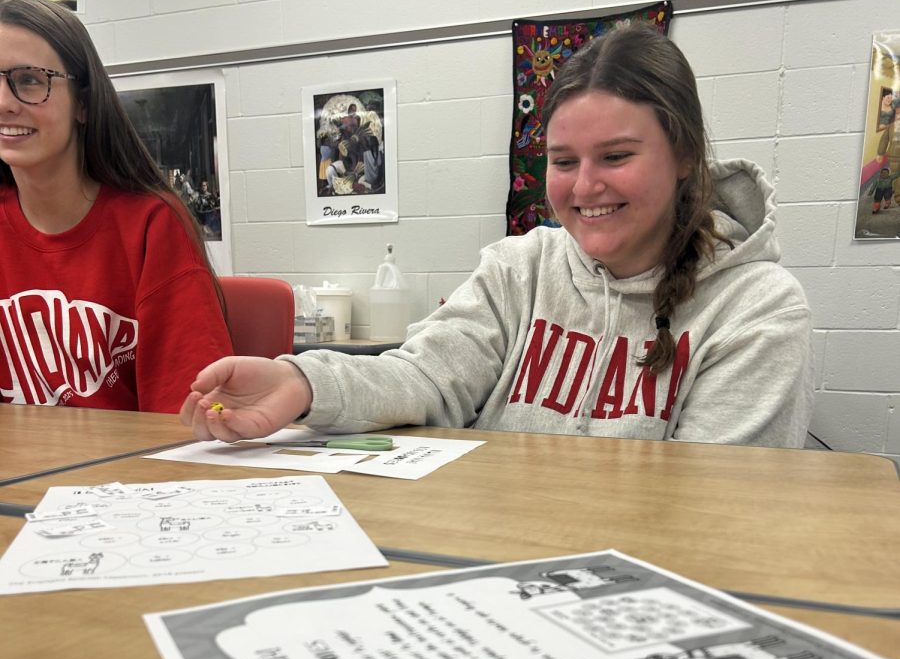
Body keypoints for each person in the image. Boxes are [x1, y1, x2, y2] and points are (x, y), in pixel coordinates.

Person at [181, 24, 813, 449]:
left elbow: (713, 502)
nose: (585, 185)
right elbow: (425, 377)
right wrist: (303, 383)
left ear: (683, 156)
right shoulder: (521, 267)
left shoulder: (757, 308)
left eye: (616, 157)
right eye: (564, 162)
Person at [0, 0, 232, 412]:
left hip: (123, 473)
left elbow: (186, 418)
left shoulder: (151, 224)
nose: (4, 102)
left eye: (30, 80)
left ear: (84, 104)